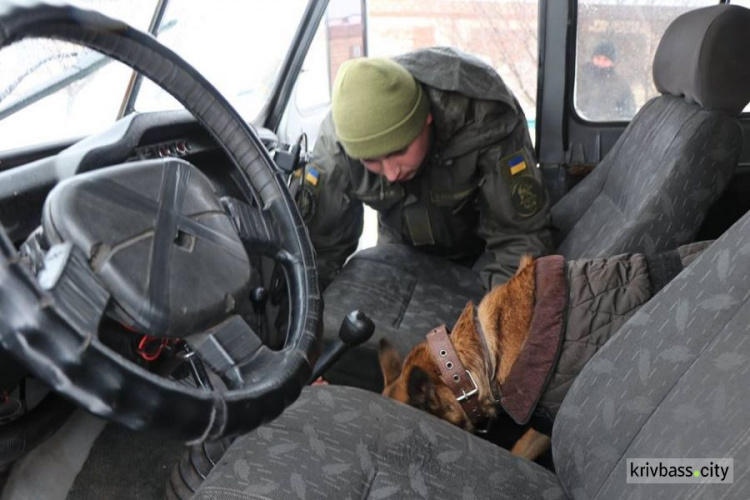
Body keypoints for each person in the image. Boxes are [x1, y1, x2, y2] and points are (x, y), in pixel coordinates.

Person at [297, 47, 554, 291]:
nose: (391, 174)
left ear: (426, 119)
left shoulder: (483, 119)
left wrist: (492, 322)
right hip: (400, 254)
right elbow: (318, 253)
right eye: (371, 161)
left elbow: (520, 242)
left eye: (398, 151)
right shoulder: (336, 148)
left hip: (482, 256)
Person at [576, 40, 636, 121]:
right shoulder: (579, 77)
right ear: (592, 58)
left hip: (607, 127)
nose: (601, 62)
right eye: (598, 58)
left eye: (606, 59)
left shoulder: (620, 84)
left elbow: (629, 111)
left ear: (613, 63)